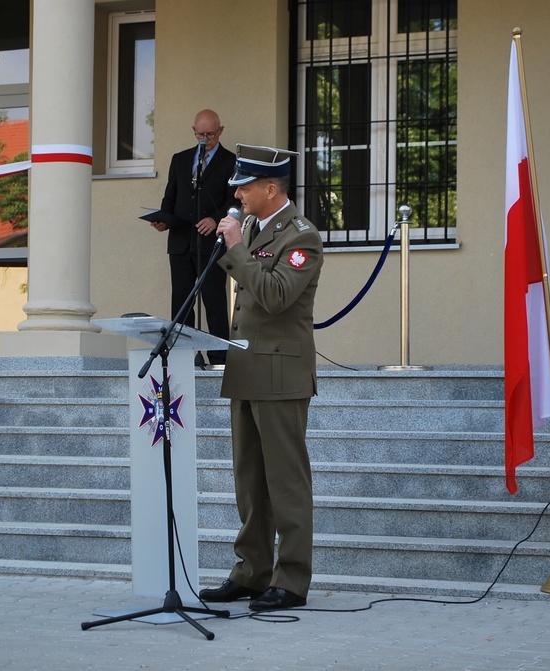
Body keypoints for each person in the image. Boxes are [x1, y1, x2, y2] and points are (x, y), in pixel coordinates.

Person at [203, 144, 323, 611]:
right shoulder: (252, 227)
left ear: (271, 189)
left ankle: (290, 579)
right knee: (249, 480)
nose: (238, 193)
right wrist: (235, 243)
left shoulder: (302, 237)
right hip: (248, 369)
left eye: (246, 186)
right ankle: (251, 571)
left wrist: (236, 249)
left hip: (281, 374)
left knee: (285, 481)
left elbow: (274, 296)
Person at [149, 109, 237, 367]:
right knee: (181, 301)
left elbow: (235, 200)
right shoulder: (180, 159)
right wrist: (163, 219)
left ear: (220, 131)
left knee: (214, 302)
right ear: (193, 132)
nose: (205, 139)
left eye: (210, 134)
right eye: (200, 134)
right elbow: (170, 197)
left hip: (211, 244)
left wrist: (216, 219)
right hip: (180, 241)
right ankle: (183, 357)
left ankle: (220, 358)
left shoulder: (231, 161)